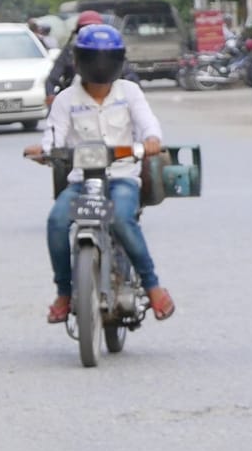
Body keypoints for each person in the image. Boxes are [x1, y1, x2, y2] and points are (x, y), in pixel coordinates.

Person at [26, 20, 175, 323]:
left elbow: (149, 124)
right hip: (81, 182)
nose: (100, 65)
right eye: (94, 57)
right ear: (79, 60)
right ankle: (64, 292)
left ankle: (152, 285)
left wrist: (151, 140)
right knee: (56, 222)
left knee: (121, 219)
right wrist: (45, 152)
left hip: (122, 178)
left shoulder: (129, 92)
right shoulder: (66, 99)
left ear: (118, 60)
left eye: (107, 58)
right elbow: (53, 136)